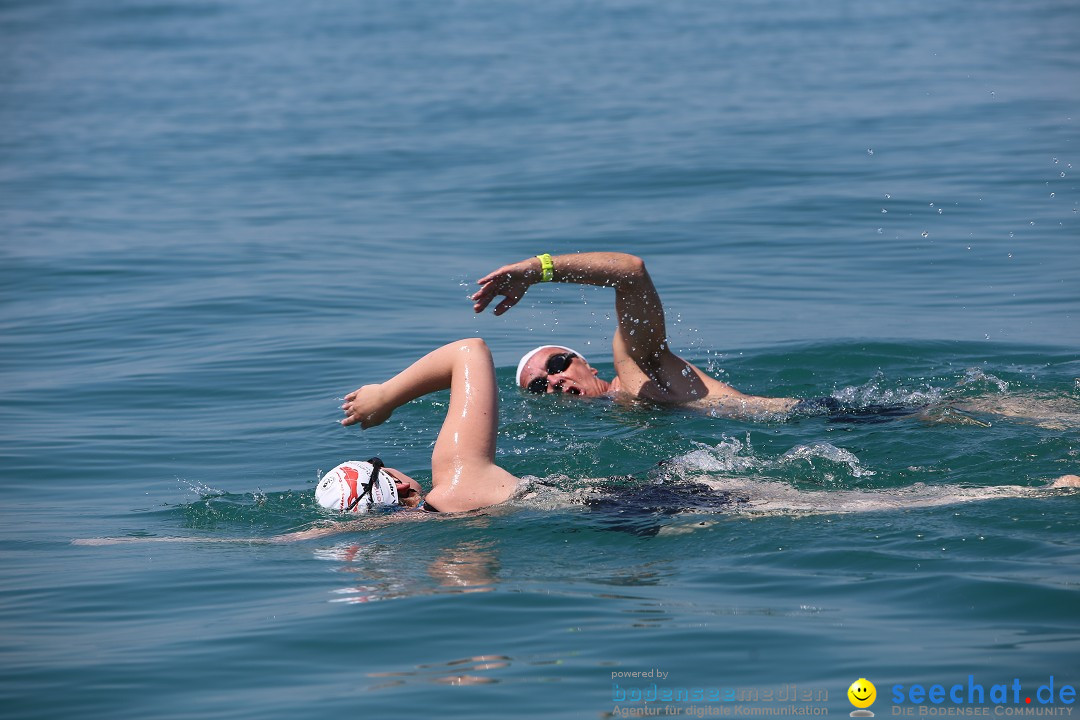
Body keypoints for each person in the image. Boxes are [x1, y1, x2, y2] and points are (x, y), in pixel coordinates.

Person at [471, 251, 801, 417]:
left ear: (588, 365)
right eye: (540, 386)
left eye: (557, 365)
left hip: (817, 420)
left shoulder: (635, 369)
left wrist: (538, 270)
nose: (554, 381)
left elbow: (631, 272)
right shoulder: (612, 414)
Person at [338, 338, 521, 513]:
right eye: (376, 464)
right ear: (399, 485)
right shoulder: (457, 483)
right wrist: (384, 396)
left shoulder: (427, 524)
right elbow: (470, 350)